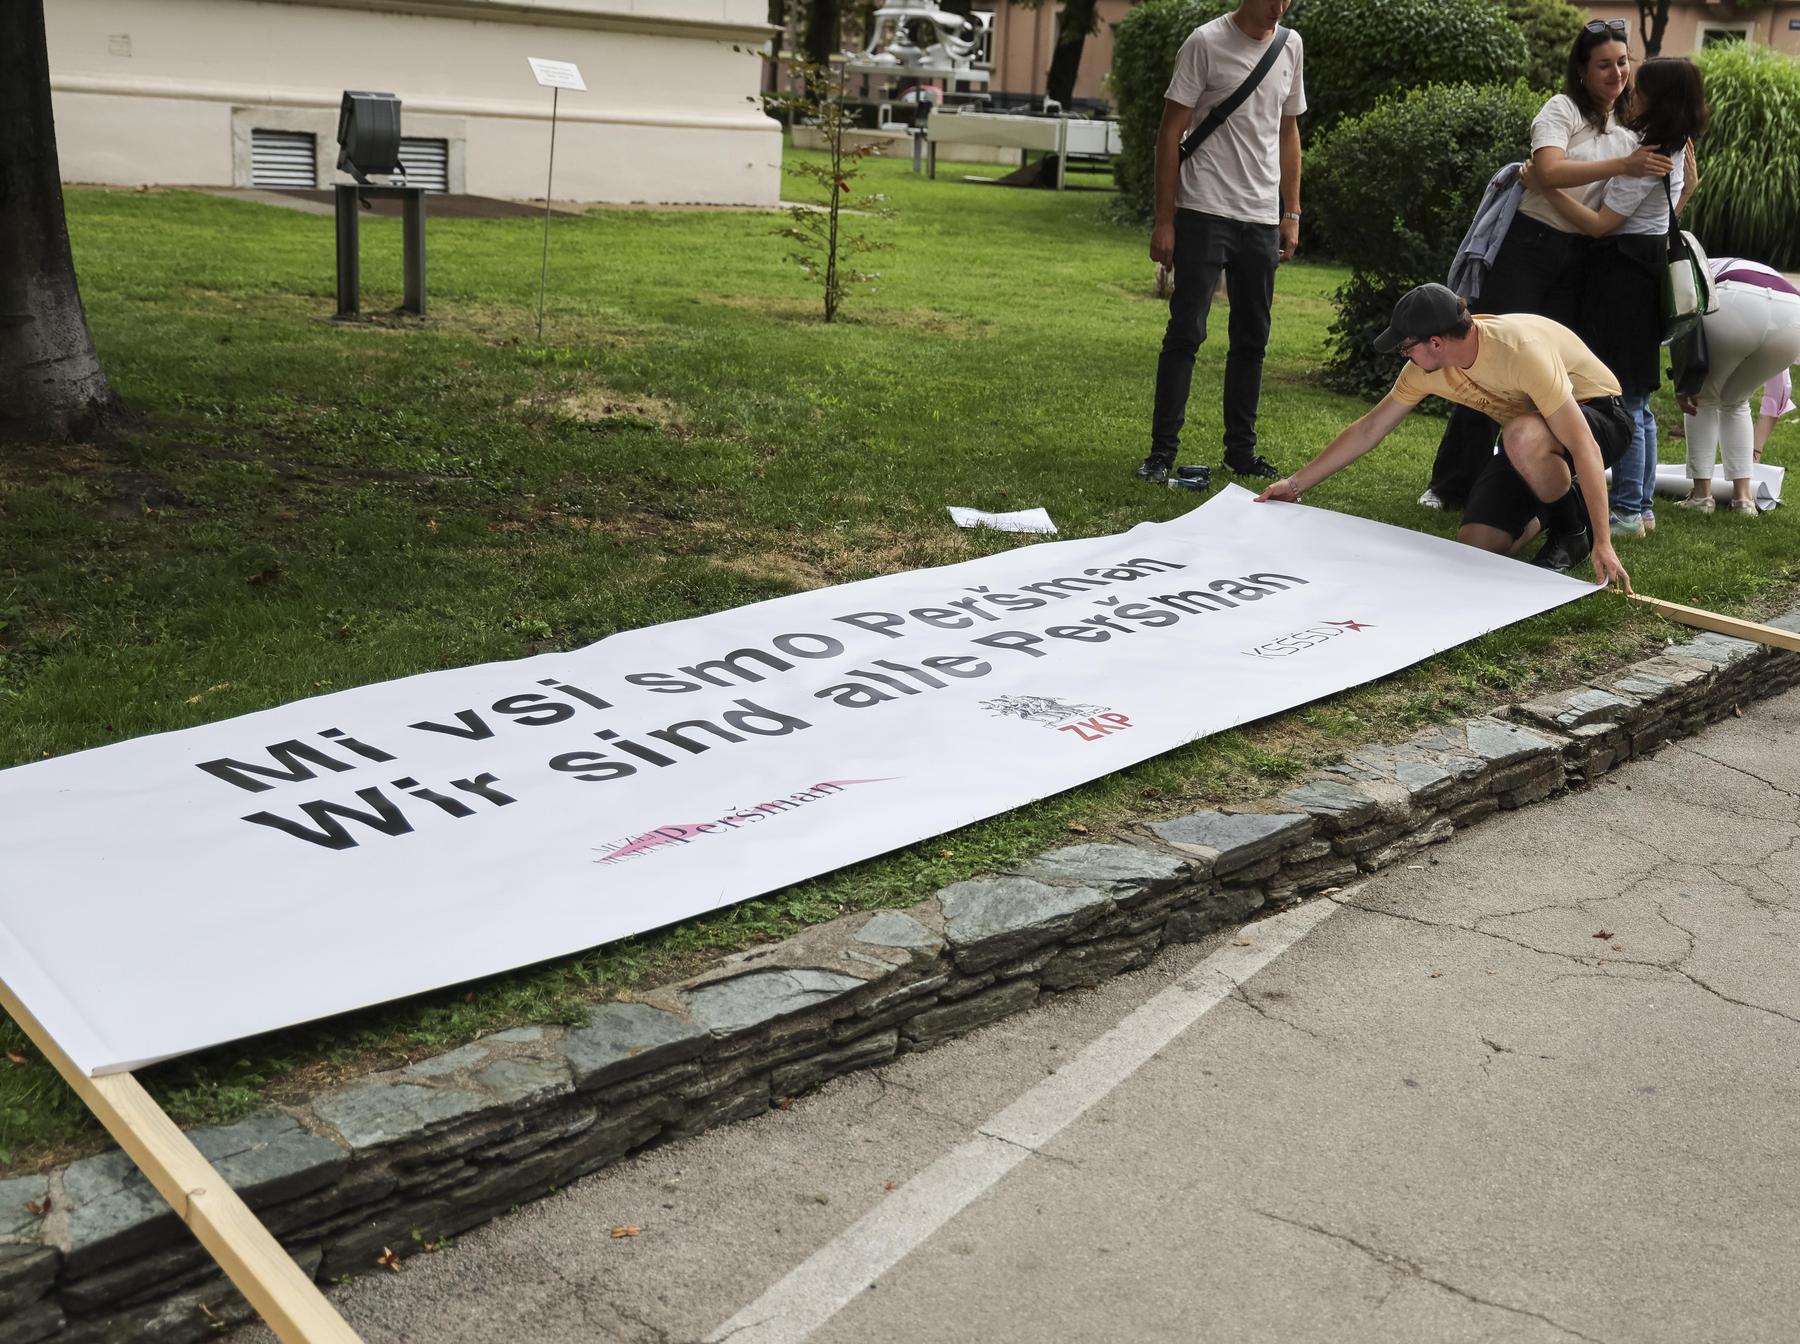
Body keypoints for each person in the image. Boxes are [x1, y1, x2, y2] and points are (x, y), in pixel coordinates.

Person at [1422, 19, 1667, 511]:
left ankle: (1529, 483)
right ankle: (1450, 485)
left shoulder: (1631, 125)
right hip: (1528, 250)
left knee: (1550, 379)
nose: (1616, 73)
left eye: (1623, 62)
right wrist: (1622, 166)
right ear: (1582, 69)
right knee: (1487, 364)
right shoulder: (1562, 110)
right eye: (1604, 64)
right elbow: (1548, 168)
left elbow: (1664, 184)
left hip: (1584, 257)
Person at [1255, 284, 1633, 593]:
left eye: (1406, 346)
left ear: (1435, 342)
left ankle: (1573, 533)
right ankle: (1559, 503)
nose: (1404, 354)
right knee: (1475, 547)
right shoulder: (1425, 369)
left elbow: (1584, 443)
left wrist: (1604, 541)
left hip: (1600, 414)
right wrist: (1295, 484)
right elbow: (1370, 429)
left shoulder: (1519, 350)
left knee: (1518, 434)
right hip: (1531, 440)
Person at [1521, 56, 1706, 539]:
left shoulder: (1646, 159)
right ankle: (1640, 507)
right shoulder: (1673, 147)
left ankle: (1626, 510)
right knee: (1638, 398)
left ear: (1658, 98)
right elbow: (1666, 213)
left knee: (1627, 400)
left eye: (1638, 86)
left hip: (1623, 278)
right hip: (1643, 272)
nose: (1629, 91)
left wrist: (1544, 186)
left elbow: (1601, 224)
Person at [1136, 0, 1304, 488]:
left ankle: (1241, 453)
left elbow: (1288, 130)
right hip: (1204, 208)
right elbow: (1170, 132)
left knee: (1253, 339)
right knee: (1186, 332)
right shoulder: (1204, 42)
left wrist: (1289, 212)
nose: (1278, 6)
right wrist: (1164, 220)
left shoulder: (1289, 45)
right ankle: (1161, 453)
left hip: (1260, 218)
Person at [1671, 259, 1800, 515]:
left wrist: (1684, 383)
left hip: (1736, 296)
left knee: (1702, 397)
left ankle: (1701, 497)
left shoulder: (1688, 267)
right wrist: (1757, 446)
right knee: (1736, 400)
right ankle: (1744, 500)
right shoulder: (1720, 263)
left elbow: (1684, 320)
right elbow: (1780, 387)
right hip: (1794, 310)